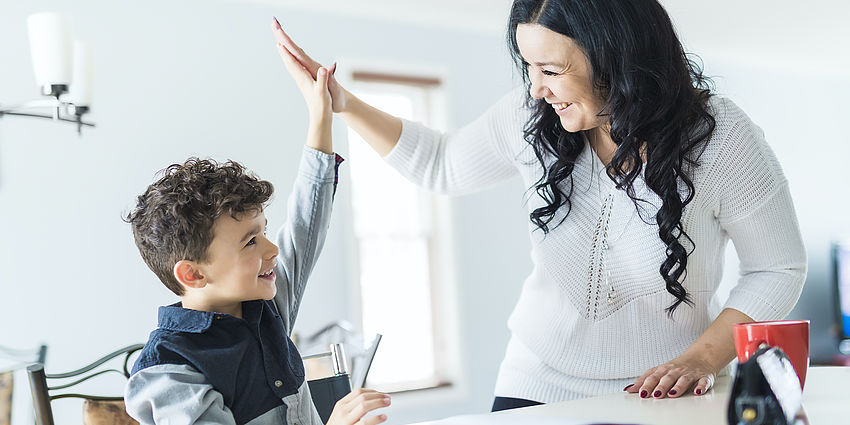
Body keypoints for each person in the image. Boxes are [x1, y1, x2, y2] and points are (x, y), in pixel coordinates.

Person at [271, 0, 807, 412]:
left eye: (551, 70)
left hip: (667, 393)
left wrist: (702, 358)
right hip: (536, 383)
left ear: (615, 58)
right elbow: (440, 163)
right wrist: (342, 103)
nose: (536, 89)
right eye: (528, 67)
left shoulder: (720, 138)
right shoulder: (530, 122)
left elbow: (777, 267)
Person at [123, 31, 390, 425]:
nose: (272, 249)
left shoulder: (264, 307)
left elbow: (305, 224)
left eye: (263, 230)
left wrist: (321, 114)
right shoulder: (167, 370)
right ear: (193, 273)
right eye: (250, 241)